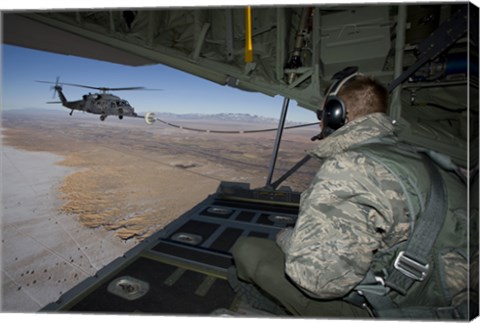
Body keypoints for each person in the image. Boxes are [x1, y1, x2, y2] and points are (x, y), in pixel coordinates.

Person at [229, 67, 471, 319]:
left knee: (249, 251)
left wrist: (287, 237)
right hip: (454, 302)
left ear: (336, 114)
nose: (321, 120)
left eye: (322, 113)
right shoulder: (423, 158)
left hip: (404, 312)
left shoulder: (351, 166)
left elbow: (316, 279)